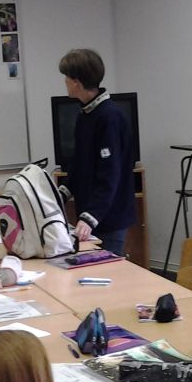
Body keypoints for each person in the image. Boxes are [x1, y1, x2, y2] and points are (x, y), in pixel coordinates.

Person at [58, 49, 135, 257]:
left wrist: (91, 216)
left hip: (110, 218)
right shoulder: (85, 114)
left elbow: (110, 174)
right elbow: (78, 162)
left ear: (77, 82)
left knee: (107, 273)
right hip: (93, 216)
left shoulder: (110, 117)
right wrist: (61, 193)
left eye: (66, 77)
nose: (64, 81)